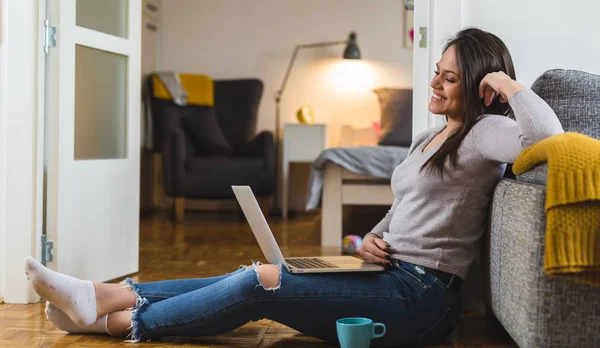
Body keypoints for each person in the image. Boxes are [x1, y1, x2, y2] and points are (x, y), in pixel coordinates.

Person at [25, 28, 563, 346]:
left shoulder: (486, 131)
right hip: (391, 272)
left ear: (478, 86)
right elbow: (407, 206)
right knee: (257, 273)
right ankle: (101, 299)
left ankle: (117, 320)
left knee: (262, 284)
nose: (435, 83)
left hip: (423, 301)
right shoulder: (431, 135)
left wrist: (509, 84)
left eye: (449, 77)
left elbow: (550, 138)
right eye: (438, 72)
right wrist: (372, 239)